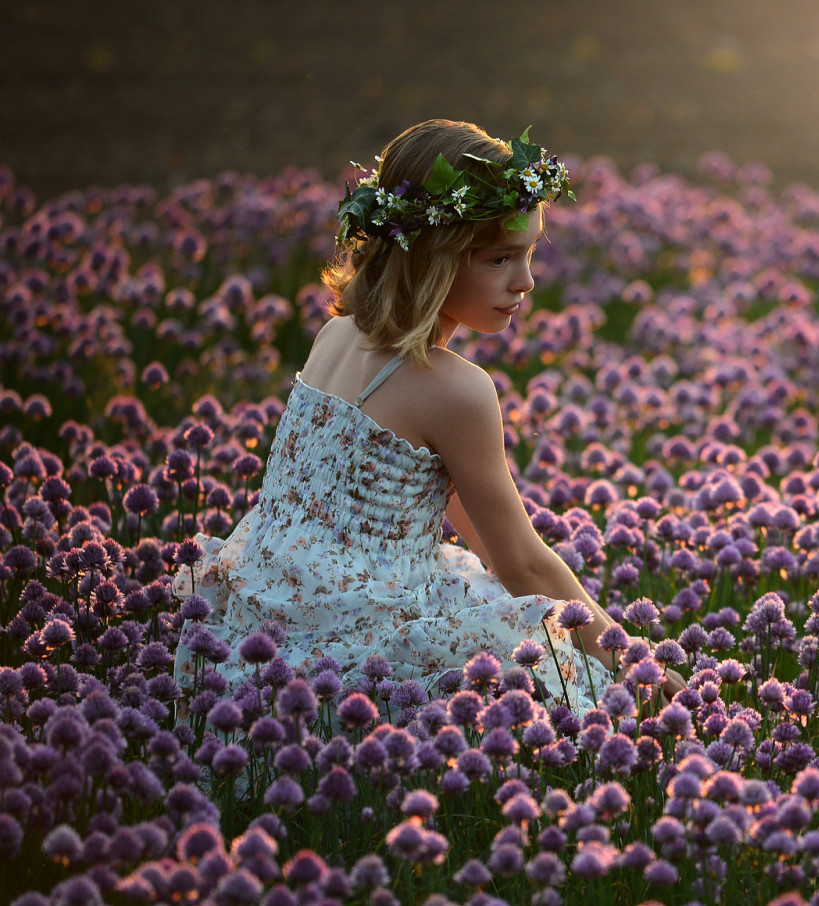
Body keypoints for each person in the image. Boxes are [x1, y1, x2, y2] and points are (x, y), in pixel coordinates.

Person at [173, 119, 685, 714]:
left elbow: (446, 507)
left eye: (528, 254)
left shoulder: (334, 336)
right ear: (434, 256)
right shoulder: (457, 391)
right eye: (499, 259)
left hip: (258, 623)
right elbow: (519, 559)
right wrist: (627, 656)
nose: (525, 280)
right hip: (354, 644)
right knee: (573, 700)